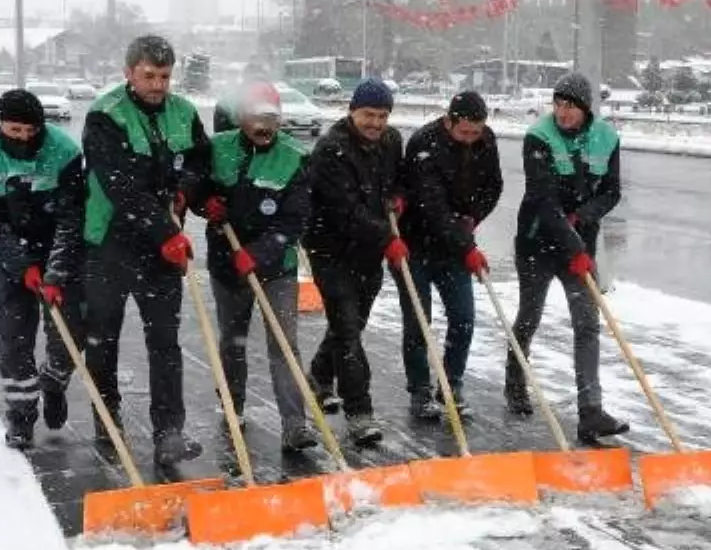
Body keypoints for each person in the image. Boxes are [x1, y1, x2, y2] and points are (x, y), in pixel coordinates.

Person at [82, 34, 211, 468]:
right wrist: (164, 231)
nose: (158, 85)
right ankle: (106, 413)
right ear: (129, 73)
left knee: (165, 340)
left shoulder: (184, 112)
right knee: (103, 336)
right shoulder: (105, 116)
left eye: (165, 76)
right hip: (111, 241)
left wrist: (186, 192)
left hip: (161, 248)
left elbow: (199, 161)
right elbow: (121, 186)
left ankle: (169, 430)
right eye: (149, 76)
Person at [506, 72, 629, 445]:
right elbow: (542, 199)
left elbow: (611, 192)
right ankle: (515, 378)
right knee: (530, 316)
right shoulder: (539, 137)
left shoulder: (606, 138)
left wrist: (584, 218)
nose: (561, 112)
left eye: (569, 106)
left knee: (587, 325)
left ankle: (590, 411)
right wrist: (572, 243)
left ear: (585, 108)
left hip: (579, 246)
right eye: (557, 104)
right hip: (537, 244)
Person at [195, 82, 317, 452]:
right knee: (233, 341)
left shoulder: (295, 157)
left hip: (277, 266)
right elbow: (193, 186)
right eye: (256, 117)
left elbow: (295, 219)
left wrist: (262, 252)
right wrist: (205, 204)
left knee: (284, 344)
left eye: (272, 119)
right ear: (241, 117)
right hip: (227, 264)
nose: (264, 126)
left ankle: (295, 424)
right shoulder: (218, 149)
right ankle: (233, 407)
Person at [0, 91, 86, 449]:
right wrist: (21, 265)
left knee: (71, 333)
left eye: (29, 129)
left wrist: (55, 271)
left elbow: (72, 216)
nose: (22, 136)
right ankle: (21, 417)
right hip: (11, 257)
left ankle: (53, 381)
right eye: (14, 129)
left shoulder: (64, 151)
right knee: (12, 341)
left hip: (59, 251)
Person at [303, 79, 406, 446]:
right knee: (347, 328)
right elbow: (345, 211)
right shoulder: (332, 149)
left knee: (351, 324)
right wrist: (388, 239)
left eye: (382, 116)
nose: (375, 124)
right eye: (368, 115)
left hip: (368, 251)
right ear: (352, 111)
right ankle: (360, 411)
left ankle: (317, 375)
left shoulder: (391, 142)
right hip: (329, 247)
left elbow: (398, 180)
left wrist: (397, 196)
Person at [396, 91, 502, 421]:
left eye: (476, 132)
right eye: (464, 132)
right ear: (448, 121)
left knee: (464, 317)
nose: (471, 139)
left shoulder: (486, 140)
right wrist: (466, 244)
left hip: (455, 245)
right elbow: (432, 206)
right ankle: (420, 391)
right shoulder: (423, 144)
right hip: (415, 244)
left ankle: (451, 383)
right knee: (419, 322)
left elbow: (493, 186)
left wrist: (473, 218)